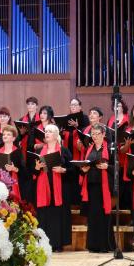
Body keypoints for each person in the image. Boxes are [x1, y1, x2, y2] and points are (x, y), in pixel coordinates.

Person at [34, 124, 73, 252]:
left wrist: (64, 169)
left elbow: (73, 170)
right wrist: (36, 168)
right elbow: (33, 172)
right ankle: (44, 243)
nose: (47, 133)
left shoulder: (64, 150)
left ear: (56, 135)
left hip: (60, 188)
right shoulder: (39, 152)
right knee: (45, 214)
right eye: (46, 131)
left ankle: (57, 244)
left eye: (50, 131)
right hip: (43, 187)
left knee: (57, 215)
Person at [79, 124, 114, 253]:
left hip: (105, 186)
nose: (95, 137)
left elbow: (117, 168)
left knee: (103, 215)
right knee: (93, 216)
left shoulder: (110, 148)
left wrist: (107, 167)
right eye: (93, 134)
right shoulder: (90, 148)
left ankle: (105, 245)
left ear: (104, 134)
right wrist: (83, 170)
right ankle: (93, 245)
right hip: (91, 185)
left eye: (98, 134)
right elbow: (85, 166)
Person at [17, 97, 40, 205]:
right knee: (26, 175)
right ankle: (27, 201)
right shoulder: (22, 119)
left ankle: (35, 200)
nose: (30, 106)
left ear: (36, 106)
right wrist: (21, 134)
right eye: (28, 104)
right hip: (25, 152)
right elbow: (18, 140)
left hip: (36, 150)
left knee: (36, 175)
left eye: (32, 104)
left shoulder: (41, 119)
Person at [0, 124, 23, 200]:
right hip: (0, 183)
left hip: (13, 183)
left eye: (8, 134)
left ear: (13, 138)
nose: (5, 136)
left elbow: (24, 170)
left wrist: (14, 169)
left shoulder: (18, 152)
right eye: (4, 134)